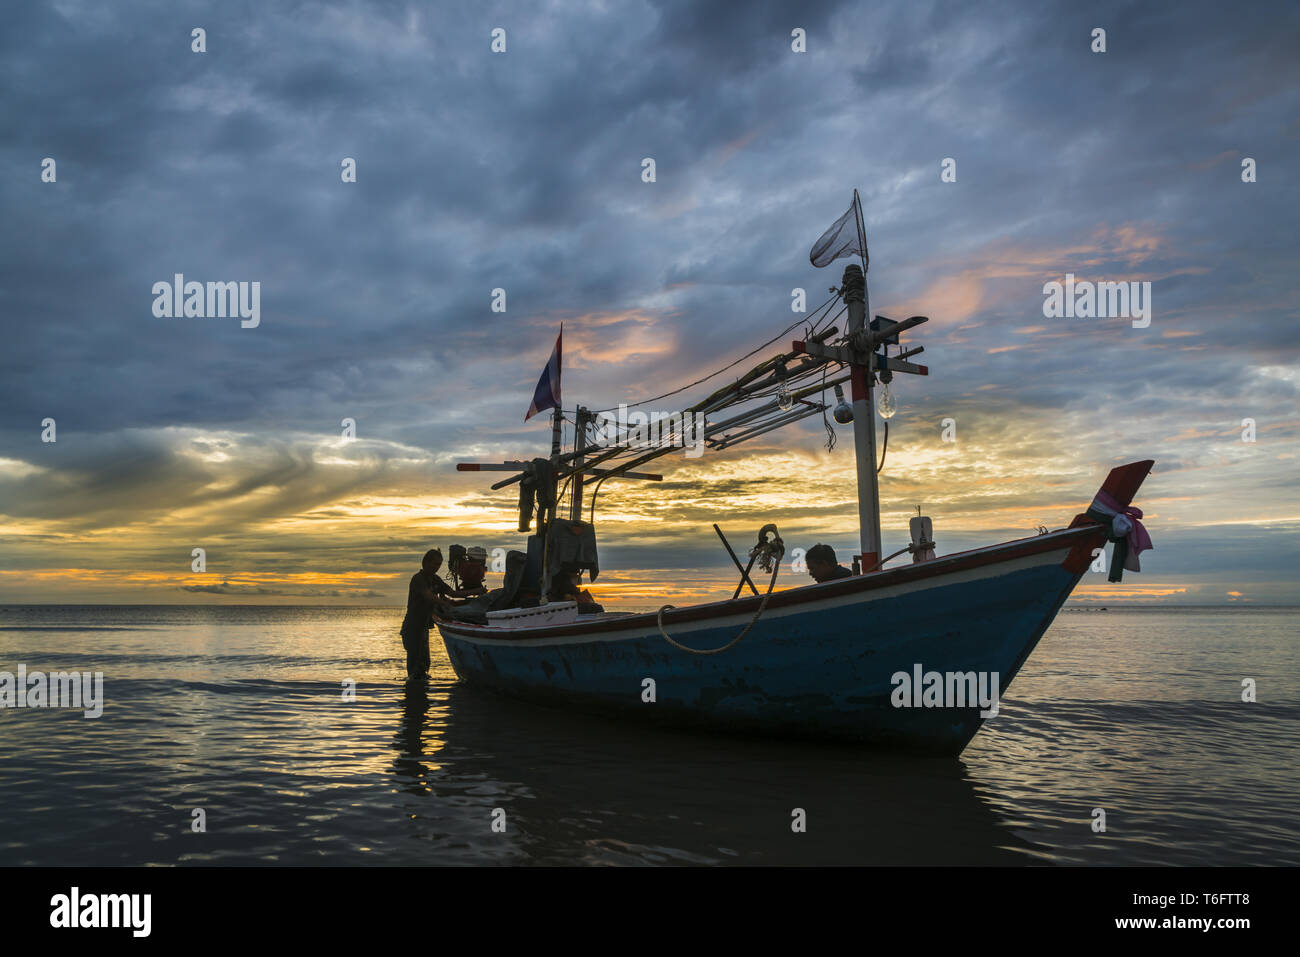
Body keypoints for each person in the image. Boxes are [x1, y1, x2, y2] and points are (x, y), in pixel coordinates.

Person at [400, 549, 454, 680]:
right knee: (414, 666)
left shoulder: (435, 579)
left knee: (424, 664)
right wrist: (445, 604)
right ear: (426, 562)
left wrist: (478, 591)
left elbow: (452, 593)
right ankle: (413, 694)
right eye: (435, 564)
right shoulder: (418, 579)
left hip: (424, 627)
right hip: (412, 627)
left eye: (439, 564)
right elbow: (428, 596)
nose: (437, 567)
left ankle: (420, 693)